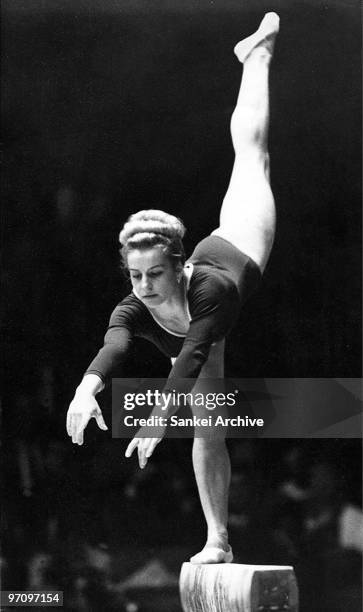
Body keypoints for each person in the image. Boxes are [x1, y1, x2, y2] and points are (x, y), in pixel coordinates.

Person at [67, 12, 279, 564]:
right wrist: (86, 388)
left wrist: (161, 420)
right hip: (201, 329)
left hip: (238, 247)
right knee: (208, 425)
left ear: (179, 264)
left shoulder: (207, 290)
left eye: (155, 274)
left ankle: (258, 56)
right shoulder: (136, 302)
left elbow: (189, 360)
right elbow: (115, 345)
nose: (144, 286)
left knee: (253, 156)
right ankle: (218, 541)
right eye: (135, 275)